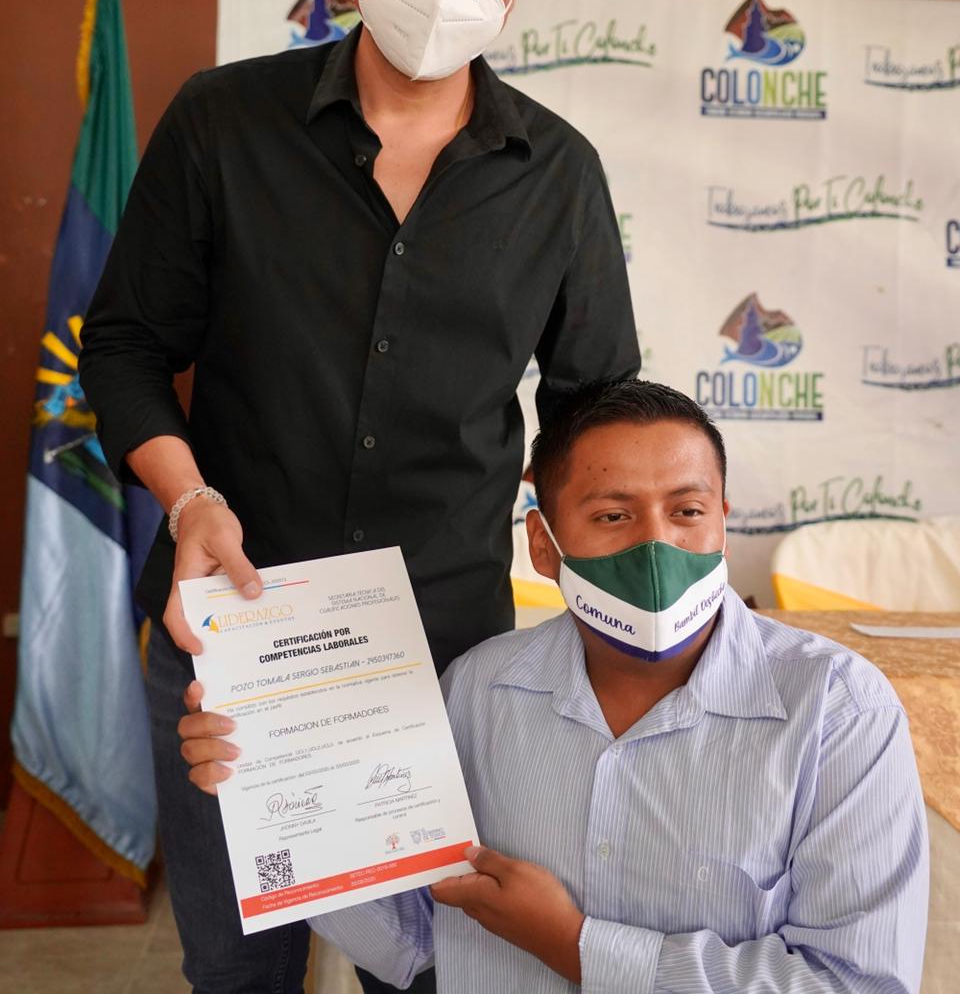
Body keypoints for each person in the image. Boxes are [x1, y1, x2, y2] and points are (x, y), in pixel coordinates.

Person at [78, 0, 640, 994]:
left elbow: (597, 416)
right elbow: (124, 344)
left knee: (434, 971)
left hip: (448, 659)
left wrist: (614, 572)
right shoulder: (222, 124)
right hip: (234, 634)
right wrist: (188, 498)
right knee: (238, 972)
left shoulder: (560, 177)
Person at [181, 379, 929, 993]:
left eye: (687, 511)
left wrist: (575, 946)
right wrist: (271, 785)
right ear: (543, 544)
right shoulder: (477, 692)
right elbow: (408, 938)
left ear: (723, 524)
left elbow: (857, 984)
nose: (656, 546)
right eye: (612, 515)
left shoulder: (839, 712)